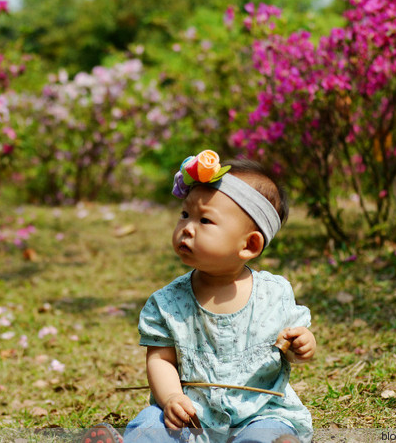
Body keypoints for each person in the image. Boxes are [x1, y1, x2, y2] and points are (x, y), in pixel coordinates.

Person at [123, 150, 316, 443]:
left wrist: (301, 345)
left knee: (268, 434)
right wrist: (172, 397)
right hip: (191, 417)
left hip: (260, 412)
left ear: (249, 245)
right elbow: (160, 360)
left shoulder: (274, 295)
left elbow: (287, 348)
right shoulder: (167, 304)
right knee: (151, 426)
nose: (187, 227)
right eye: (185, 214)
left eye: (205, 221)